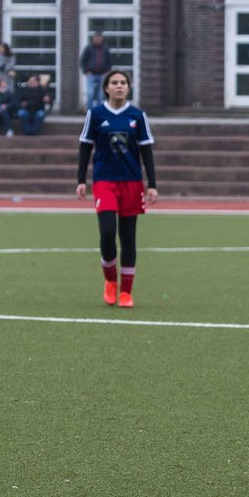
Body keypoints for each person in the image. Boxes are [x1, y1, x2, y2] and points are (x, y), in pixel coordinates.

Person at [75, 70, 157, 308]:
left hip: (131, 182)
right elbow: (85, 147)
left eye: (123, 83)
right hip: (105, 182)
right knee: (108, 233)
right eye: (114, 82)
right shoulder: (96, 114)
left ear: (128, 87)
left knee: (128, 237)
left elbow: (146, 151)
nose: (119, 86)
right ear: (107, 88)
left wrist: (152, 184)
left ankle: (126, 292)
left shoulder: (137, 115)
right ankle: (110, 282)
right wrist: (81, 179)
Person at [80, 32, 111, 110]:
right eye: (96, 38)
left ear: (101, 39)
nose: (97, 40)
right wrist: (86, 71)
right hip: (91, 75)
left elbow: (109, 61)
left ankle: (99, 112)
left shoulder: (105, 48)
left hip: (102, 75)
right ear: (93, 39)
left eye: (99, 38)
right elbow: (82, 61)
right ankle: (89, 111)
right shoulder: (88, 48)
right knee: (90, 94)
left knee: (101, 95)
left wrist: (107, 71)